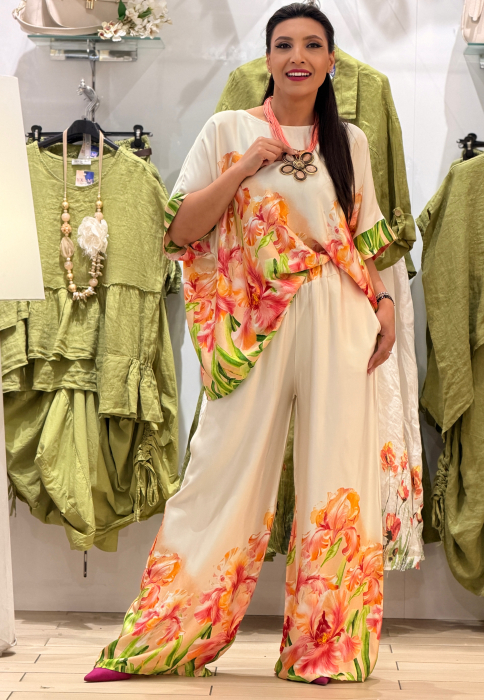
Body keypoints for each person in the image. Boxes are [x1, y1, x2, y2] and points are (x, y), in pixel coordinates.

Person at [85, 1, 396, 686]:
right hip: (251, 324)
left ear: (330, 61)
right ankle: (165, 640)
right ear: (267, 58)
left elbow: (362, 240)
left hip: (341, 313)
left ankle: (325, 648)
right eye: (284, 44)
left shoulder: (350, 141)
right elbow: (180, 231)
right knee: (216, 474)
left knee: (337, 476)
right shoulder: (228, 129)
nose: (297, 57)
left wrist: (384, 303)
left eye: (311, 45)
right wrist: (243, 167)